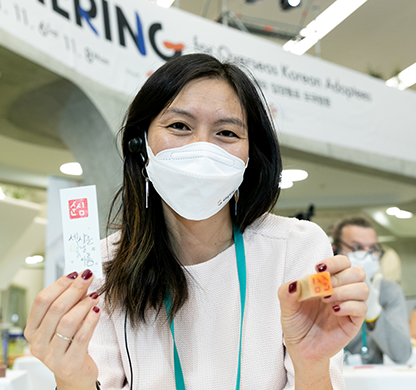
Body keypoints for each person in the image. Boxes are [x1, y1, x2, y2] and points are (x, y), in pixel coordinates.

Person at [24, 54, 368, 390]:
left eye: (227, 133)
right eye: (179, 126)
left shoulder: (297, 246)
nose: (202, 148)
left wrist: (311, 365)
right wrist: (71, 380)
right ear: (140, 144)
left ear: (251, 156)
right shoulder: (103, 264)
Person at [332, 216, 412, 364]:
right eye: (357, 248)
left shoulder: (389, 291)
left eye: (373, 248)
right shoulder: (323, 289)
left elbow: (402, 355)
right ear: (335, 249)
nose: (367, 255)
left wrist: (374, 314)